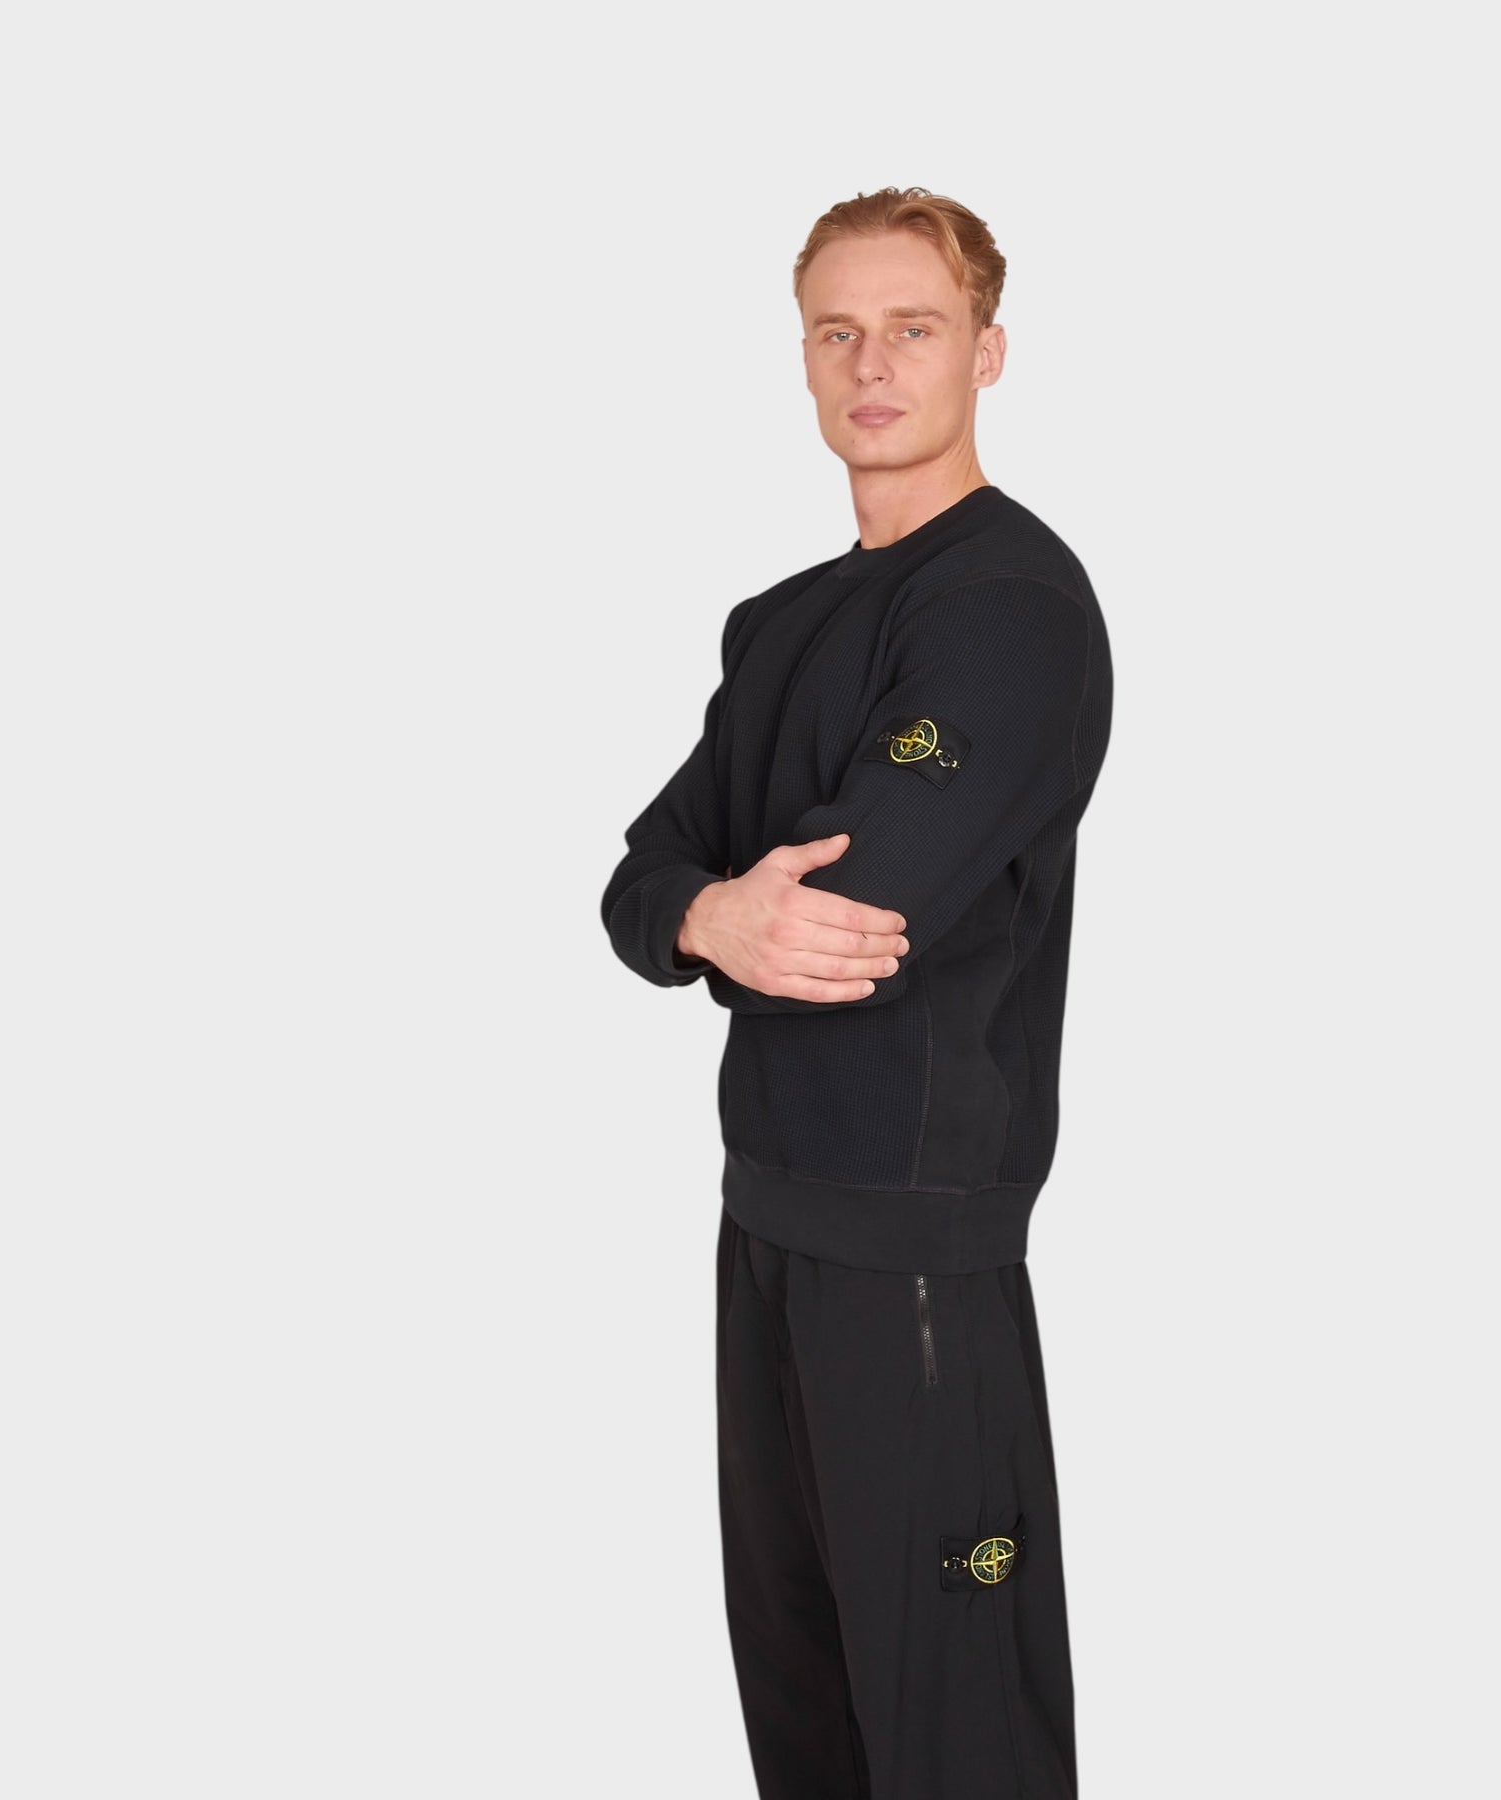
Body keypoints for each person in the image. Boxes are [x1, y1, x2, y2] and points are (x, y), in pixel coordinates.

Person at [600, 185, 1113, 1800]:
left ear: (987, 352)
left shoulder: (1012, 610)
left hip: (917, 1245)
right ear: (805, 355)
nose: (871, 365)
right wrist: (709, 913)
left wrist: (716, 920)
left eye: (914, 328)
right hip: (763, 1218)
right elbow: (640, 882)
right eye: (838, 331)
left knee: (955, 1733)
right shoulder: (778, 627)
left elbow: (849, 927)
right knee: (806, 1707)